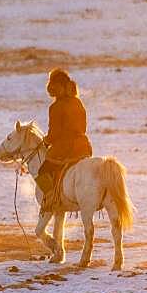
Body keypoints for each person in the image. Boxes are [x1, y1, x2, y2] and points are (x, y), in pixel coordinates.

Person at [35, 68, 92, 212]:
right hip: (83, 147)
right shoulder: (78, 102)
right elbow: (83, 127)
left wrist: (46, 141)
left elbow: (54, 133)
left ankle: (52, 200)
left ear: (55, 87)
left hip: (65, 149)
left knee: (42, 172)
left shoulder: (55, 107)